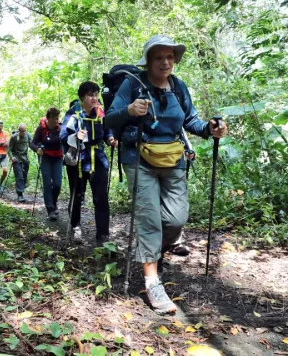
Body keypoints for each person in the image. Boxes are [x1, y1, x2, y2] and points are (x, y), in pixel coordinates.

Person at [105, 35, 228, 315]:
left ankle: (155, 252)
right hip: (139, 158)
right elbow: (109, 118)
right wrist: (128, 110)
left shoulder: (178, 86)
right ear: (148, 61)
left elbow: (191, 121)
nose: (165, 62)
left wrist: (210, 129)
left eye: (170, 57)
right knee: (149, 219)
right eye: (159, 57)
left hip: (173, 157)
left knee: (176, 219)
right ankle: (152, 280)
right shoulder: (132, 85)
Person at [62, 82, 118, 245]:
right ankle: (75, 226)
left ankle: (103, 234)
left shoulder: (101, 112)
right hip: (78, 158)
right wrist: (75, 136)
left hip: (98, 158)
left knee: (100, 196)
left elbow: (108, 130)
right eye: (90, 95)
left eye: (96, 94)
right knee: (77, 195)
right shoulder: (73, 113)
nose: (94, 98)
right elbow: (63, 134)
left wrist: (110, 139)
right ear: (82, 97)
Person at [30, 108, 63, 220]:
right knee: (47, 184)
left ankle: (54, 202)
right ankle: (50, 209)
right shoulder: (41, 129)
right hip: (46, 158)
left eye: (57, 118)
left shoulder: (60, 128)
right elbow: (32, 143)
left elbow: (66, 140)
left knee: (57, 184)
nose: (56, 120)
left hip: (58, 158)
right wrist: (37, 149)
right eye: (54, 118)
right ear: (48, 118)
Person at [7, 123, 31, 202]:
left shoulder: (28, 135)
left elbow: (32, 144)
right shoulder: (14, 137)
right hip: (16, 158)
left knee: (24, 176)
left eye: (24, 131)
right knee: (19, 176)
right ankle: (20, 194)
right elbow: (9, 149)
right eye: (21, 131)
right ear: (18, 130)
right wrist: (11, 157)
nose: (23, 132)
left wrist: (37, 149)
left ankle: (20, 190)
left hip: (25, 159)